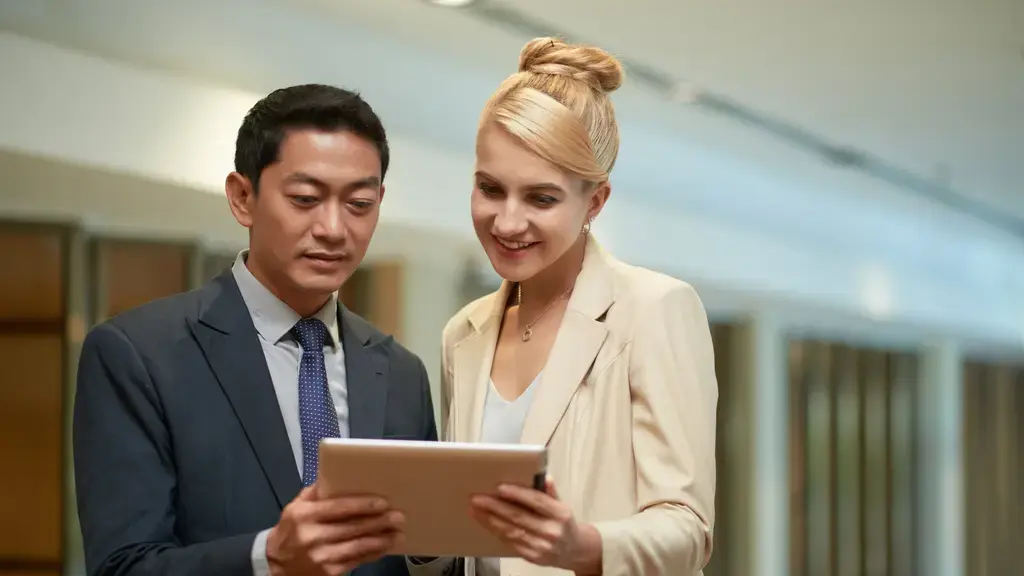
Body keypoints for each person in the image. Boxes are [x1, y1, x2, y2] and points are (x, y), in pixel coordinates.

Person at [73, 84, 440, 576]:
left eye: (359, 203)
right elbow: (121, 566)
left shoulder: (401, 374)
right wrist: (270, 556)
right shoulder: (138, 355)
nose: (333, 228)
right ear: (243, 197)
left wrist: (433, 550)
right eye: (305, 199)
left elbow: (418, 554)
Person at [410, 38, 719, 576]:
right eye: (490, 188)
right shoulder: (463, 333)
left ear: (594, 201)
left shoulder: (654, 310)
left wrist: (585, 545)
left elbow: (688, 527)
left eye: (541, 198)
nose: (507, 222)